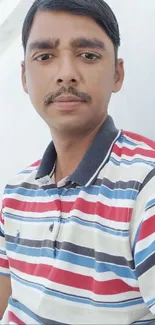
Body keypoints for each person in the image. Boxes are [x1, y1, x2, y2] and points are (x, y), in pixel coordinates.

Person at [0, 0, 155, 324]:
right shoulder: (16, 191)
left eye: (88, 55)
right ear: (25, 77)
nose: (66, 74)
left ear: (117, 73)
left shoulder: (146, 184)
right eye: (45, 56)